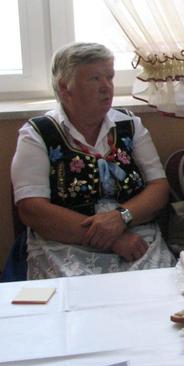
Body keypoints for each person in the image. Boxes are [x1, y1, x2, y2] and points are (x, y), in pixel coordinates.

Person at [11, 42, 175, 279]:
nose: (106, 88)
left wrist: (122, 217)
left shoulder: (129, 125)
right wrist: (113, 239)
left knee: (157, 297)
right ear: (65, 88)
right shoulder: (38, 134)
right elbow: (32, 209)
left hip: (136, 237)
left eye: (110, 77)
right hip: (67, 243)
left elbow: (159, 187)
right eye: (95, 79)